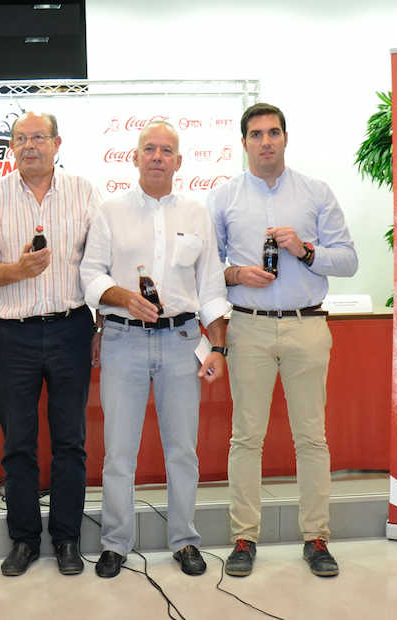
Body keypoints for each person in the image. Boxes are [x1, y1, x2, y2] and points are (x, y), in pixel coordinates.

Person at [208, 103, 358, 578]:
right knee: (245, 437)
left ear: (286, 138)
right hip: (248, 325)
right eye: (256, 134)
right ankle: (243, 538)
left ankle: (316, 538)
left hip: (306, 325)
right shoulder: (224, 197)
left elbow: (348, 260)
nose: (266, 141)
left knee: (311, 437)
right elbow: (205, 269)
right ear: (244, 143)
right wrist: (235, 273)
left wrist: (306, 250)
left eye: (273, 132)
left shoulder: (316, 192)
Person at [79, 121, 230, 578]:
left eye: (166, 150)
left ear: (178, 161)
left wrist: (218, 347)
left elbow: (211, 285)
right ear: (135, 157)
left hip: (182, 340)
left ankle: (185, 541)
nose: (157, 157)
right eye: (149, 149)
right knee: (118, 452)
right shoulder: (109, 211)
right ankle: (115, 543)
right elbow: (90, 274)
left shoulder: (196, 214)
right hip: (123, 339)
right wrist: (124, 298)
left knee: (182, 449)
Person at [0, 111, 100, 577]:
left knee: (70, 441)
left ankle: (67, 538)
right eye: (20, 139)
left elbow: (101, 264)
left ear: (56, 143)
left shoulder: (84, 192)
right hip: (12, 334)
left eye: (38, 137)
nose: (29, 146)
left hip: (70, 328)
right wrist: (15, 271)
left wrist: (100, 324)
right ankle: (23, 539)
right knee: (18, 443)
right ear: (12, 147)